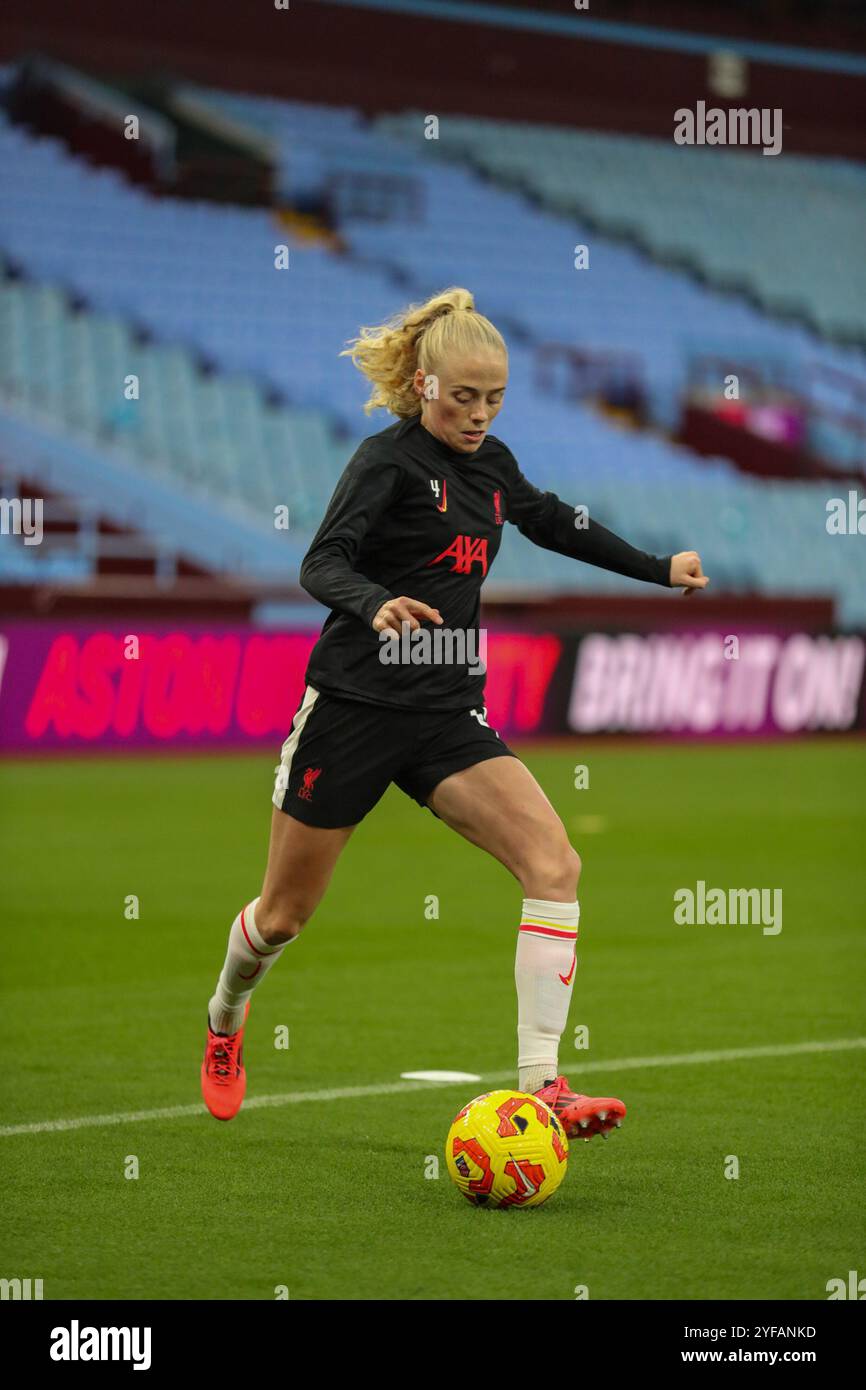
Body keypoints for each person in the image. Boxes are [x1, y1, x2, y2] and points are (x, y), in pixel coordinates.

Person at [201, 287, 708, 1137]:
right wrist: (375, 604)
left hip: (444, 710)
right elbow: (320, 563)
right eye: (464, 396)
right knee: (283, 916)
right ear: (424, 383)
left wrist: (659, 568)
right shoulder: (384, 462)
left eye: (495, 398)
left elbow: (555, 524)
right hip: (355, 706)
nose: (479, 414)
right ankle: (224, 1020)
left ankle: (543, 1084)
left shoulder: (494, 465)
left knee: (556, 866)